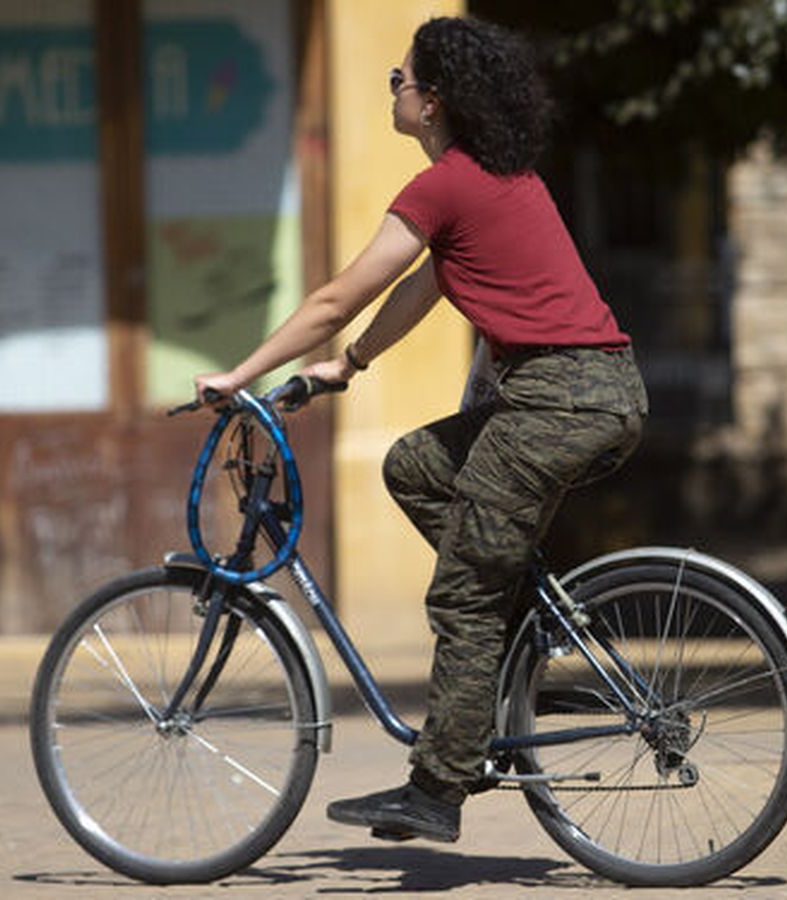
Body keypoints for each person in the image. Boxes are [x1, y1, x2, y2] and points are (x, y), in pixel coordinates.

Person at [194, 16, 648, 844]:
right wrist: (350, 363)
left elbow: (339, 295)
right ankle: (509, 655)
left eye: (397, 81)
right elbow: (422, 287)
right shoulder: (495, 179)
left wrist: (239, 374)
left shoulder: (446, 187)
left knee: (463, 592)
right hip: (590, 391)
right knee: (415, 466)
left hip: (558, 400)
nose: (392, 92)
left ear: (432, 102)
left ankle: (438, 788)